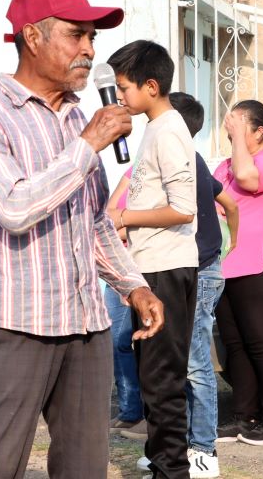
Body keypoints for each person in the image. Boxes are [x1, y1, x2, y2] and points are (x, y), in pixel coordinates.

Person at [0, 0, 164, 479]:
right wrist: (87, 145)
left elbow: (92, 222)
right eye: (77, 34)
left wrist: (133, 286)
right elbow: (14, 207)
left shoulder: (74, 117)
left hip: (85, 323)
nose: (89, 50)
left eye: (93, 37)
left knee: (85, 468)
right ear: (33, 37)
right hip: (18, 323)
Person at [106, 40, 198, 479]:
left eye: (124, 88)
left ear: (151, 85)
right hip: (151, 266)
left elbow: (184, 208)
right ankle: (163, 464)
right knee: (153, 378)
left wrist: (126, 215)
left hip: (167, 267)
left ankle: (172, 470)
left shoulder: (170, 129)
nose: (120, 97)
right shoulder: (154, 127)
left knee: (163, 382)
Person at [213, 100, 263, 446]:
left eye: (237, 124)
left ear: (259, 132)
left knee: (262, 345)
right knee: (236, 346)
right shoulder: (224, 166)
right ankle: (244, 416)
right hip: (225, 267)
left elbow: (248, 179)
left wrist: (236, 141)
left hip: (260, 264)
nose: (229, 128)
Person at [170, 91, 239, 478]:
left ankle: (203, 450)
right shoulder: (187, 159)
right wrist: (231, 241)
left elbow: (231, 206)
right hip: (192, 269)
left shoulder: (186, 161)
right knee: (179, 362)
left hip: (201, 271)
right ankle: (179, 446)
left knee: (196, 364)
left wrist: (231, 245)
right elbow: (228, 205)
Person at [103, 165, 148, 441]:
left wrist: (121, 225)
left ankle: (138, 409)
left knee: (126, 340)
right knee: (115, 340)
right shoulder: (134, 171)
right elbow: (106, 216)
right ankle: (129, 409)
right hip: (116, 268)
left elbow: (154, 224)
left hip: (139, 269)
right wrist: (124, 225)